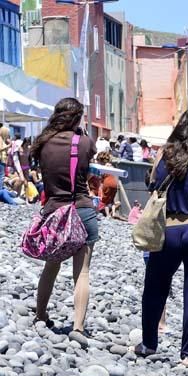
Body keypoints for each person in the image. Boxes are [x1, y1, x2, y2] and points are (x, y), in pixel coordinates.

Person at [135, 108, 188, 366]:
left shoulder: (163, 155)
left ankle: (149, 343)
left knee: (155, 287)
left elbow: (153, 185)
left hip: (168, 229)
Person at [31, 97, 99, 347]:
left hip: (55, 213)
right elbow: (88, 161)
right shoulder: (83, 142)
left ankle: (40, 314)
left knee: (51, 266)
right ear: (78, 118)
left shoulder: (43, 143)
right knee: (82, 272)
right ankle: (78, 326)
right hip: (81, 210)